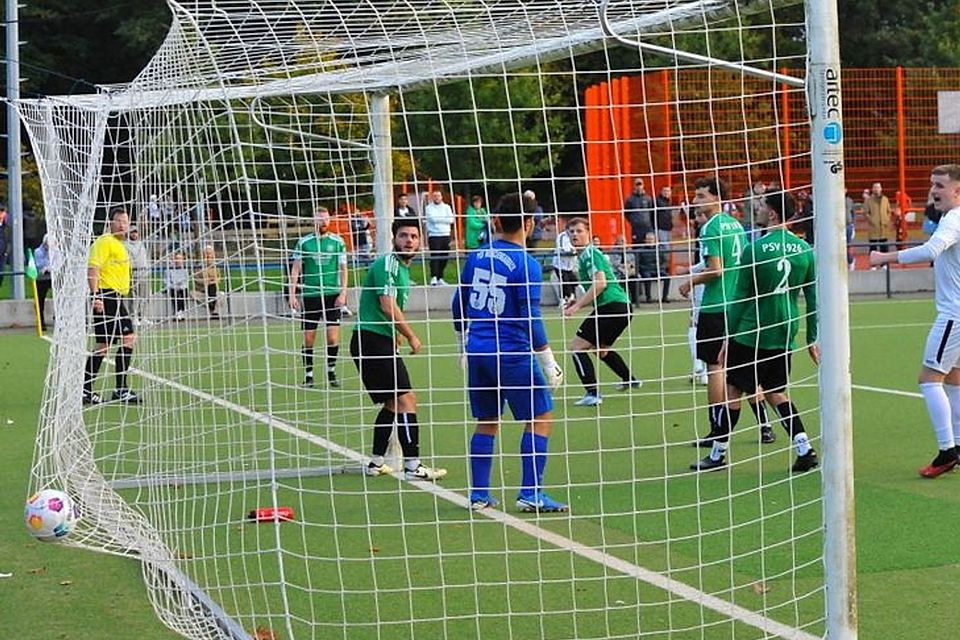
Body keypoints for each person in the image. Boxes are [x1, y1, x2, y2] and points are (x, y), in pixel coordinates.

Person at [452, 191, 566, 512]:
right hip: (512, 353)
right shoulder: (526, 263)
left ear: (497, 221)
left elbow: (458, 305)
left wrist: (463, 346)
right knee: (540, 416)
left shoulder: (475, 256)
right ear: (529, 224)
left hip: (478, 352)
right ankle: (531, 492)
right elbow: (531, 318)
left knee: (487, 420)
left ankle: (478, 495)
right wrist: (548, 360)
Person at [690, 190, 820, 472]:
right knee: (776, 391)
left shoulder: (756, 249)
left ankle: (718, 455)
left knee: (733, 389)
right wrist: (811, 338)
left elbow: (740, 300)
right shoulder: (805, 250)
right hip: (785, 330)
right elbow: (812, 297)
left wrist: (728, 337)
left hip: (751, 331)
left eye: (761, 206)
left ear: (772, 213)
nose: (757, 210)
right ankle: (805, 449)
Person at [870, 164, 960, 478]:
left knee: (929, 378)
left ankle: (947, 450)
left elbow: (932, 249)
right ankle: (957, 446)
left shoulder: (953, 219)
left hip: (954, 315)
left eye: (940, 185)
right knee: (954, 379)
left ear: (957, 190)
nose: (933, 190)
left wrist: (885, 258)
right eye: (932, 184)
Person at [678, 177, 774, 446]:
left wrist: (690, 282)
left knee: (715, 368)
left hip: (717, 306)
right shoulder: (736, 225)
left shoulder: (710, 228)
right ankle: (765, 425)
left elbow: (717, 270)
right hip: (739, 306)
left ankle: (716, 430)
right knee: (742, 366)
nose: (696, 201)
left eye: (700, 196)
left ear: (716, 198)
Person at [351, 218, 446, 480]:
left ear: (420, 241)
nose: (409, 241)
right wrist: (411, 335)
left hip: (377, 339)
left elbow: (389, 308)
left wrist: (394, 334)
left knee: (394, 403)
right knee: (406, 400)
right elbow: (387, 305)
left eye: (414, 237)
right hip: (370, 340)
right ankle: (413, 467)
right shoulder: (388, 264)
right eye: (404, 236)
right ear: (394, 238)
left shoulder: (402, 269)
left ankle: (376, 462)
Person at [563, 217, 641, 406]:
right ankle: (629, 379)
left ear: (588, 233)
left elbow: (600, 284)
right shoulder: (583, 257)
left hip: (612, 306)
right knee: (600, 348)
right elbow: (594, 288)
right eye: (571, 231)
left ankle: (592, 394)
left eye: (579, 231)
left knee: (576, 347)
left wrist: (576, 307)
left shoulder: (591, 254)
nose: (575, 235)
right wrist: (576, 301)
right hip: (620, 307)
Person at [82, 206, 141, 405]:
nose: (123, 225)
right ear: (111, 222)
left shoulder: (120, 244)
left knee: (107, 344)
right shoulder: (104, 241)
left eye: (125, 221)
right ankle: (116, 390)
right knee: (120, 340)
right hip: (106, 297)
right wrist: (95, 295)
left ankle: (91, 390)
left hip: (116, 298)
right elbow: (93, 268)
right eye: (119, 221)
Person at [288, 206, 348, 388]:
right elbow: (296, 269)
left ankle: (331, 371)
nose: (322, 222)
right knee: (308, 338)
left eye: (325, 219)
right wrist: (292, 294)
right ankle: (308, 376)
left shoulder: (338, 242)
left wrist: (343, 292)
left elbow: (344, 269)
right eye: (319, 219)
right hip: (311, 295)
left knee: (332, 338)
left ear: (329, 220)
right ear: (313, 221)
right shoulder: (304, 242)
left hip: (332, 295)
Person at [424, 190, 454, 285]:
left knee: (444, 256)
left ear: (441, 197)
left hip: (445, 234)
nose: (437, 198)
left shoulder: (447, 207)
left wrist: (439, 219)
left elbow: (451, 219)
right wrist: (444, 219)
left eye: (438, 196)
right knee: (435, 256)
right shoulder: (429, 208)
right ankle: (434, 276)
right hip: (434, 235)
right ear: (433, 197)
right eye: (435, 196)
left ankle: (440, 277)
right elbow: (432, 219)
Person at [124, 226, 151, 324]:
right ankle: (134, 316)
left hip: (144, 273)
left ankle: (143, 317)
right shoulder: (125, 245)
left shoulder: (142, 244)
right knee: (134, 297)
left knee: (145, 296)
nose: (134, 234)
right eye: (132, 232)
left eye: (136, 232)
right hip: (133, 274)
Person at [34, 235, 58, 332]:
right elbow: (40, 266)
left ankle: (57, 319)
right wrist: (49, 267)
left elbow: (58, 264)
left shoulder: (57, 251)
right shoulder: (38, 251)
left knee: (58, 299)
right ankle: (41, 322)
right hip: (42, 279)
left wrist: (49, 267)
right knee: (40, 300)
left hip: (53, 277)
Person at [654, 186, 674, 302]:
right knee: (663, 249)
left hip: (667, 229)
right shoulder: (658, 202)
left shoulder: (668, 203)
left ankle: (664, 267)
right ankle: (662, 267)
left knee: (667, 250)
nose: (667, 193)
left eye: (668, 191)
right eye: (665, 191)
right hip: (661, 229)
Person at [551, 218, 579, 306]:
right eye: (571, 230)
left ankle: (570, 299)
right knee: (565, 281)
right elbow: (563, 249)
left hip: (570, 265)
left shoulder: (575, 236)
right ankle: (564, 300)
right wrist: (572, 251)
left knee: (574, 281)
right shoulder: (561, 236)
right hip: (560, 264)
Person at [624, 178, 655, 247]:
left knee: (649, 245)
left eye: (640, 184)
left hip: (647, 226)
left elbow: (652, 211)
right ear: (634, 186)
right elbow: (626, 213)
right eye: (637, 185)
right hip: (636, 227)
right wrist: (633, 220)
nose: (639, 187)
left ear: (643, 185)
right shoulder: (630, 199)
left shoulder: (648, 198)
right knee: (636, 245)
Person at [864, 181, 892, 257]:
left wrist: (887, 219)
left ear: (881, 189)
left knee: (884, 247)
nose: (876, 189)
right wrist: (872, 220)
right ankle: (873, 265)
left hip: (884, 227)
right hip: (873, 228)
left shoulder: (885, 199)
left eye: (878, 187)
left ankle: (884, 264)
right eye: (875, 187)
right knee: (873, 248)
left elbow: (889, 211)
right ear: (872, 189)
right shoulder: (868, 200)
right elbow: (866, 213)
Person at [195, 244, 221, 318]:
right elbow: (196, 279)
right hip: (202, 289)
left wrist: (213, 281)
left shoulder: (216, 266)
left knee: (213, 287)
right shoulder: (199, 266)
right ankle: (212, 306)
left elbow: (219, 278)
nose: (208, 256)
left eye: (210, 254)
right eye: (206, 254)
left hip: (213, 287)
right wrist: (205, 281)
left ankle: (212, 307)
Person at [164, 251, 190, 321]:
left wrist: (181, 286)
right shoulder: (169, 269)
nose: (178, 260)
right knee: (175, 293)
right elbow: (167, 281)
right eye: (177, 258)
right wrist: (174, 286)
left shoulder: (185, 269)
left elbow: (186, 280)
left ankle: (182, 311)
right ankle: (178, 312)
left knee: (184, 293)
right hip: (173, 287)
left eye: (180, 259)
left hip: (182, 287)